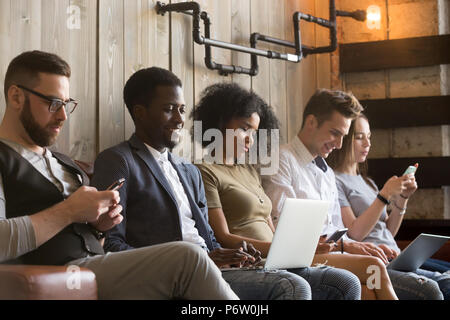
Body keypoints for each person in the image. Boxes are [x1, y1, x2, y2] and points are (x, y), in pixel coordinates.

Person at [0, 50, 238, 300]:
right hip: (64, 273)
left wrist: (99, 228)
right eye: (53, 103)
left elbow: (92, 241)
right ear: (16, 97)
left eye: (67, 104)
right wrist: (69, 210)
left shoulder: (64, 164)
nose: (63, 115)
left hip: (97, 264)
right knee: (189, 257)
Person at [90, 66, 313, 300]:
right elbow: (111, 244)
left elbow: (209, 239)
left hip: (211, 268)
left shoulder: (188, 171)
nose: (178, 120)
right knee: (292, 287)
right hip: (173, 275)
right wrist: (183, 261)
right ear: (140, 112)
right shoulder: (118, 160)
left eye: (182, 110)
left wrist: (231, 255)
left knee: (340, 282)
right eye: (168, 110)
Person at [262, 88, 443, 300]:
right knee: (425, 290)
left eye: (343, 136)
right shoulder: (280, 160)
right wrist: (347, 245)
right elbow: (284, 231)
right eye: (335, 133)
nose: (339, 144)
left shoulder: (327, 173)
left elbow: (340, 230)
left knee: (382, 285)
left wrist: (363, 247)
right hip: (310, 259)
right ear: (311, 122)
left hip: (341, 257)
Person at [193, 82, 362, 300]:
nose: (250, 140)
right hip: (245, 265)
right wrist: (281, 249)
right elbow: (222, 237)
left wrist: (295, 249)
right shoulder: (204, 171)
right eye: (244, 128)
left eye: (254, 132)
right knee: (296, 287)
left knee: (345, 282)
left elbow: (271, 228)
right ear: (219, 122)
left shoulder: (249, 171)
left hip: (274, 260)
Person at [327, 113, 450, 299]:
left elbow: (388, 232)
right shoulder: (334, 181)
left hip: (397, 256)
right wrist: (384, 195)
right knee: (444, 285)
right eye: (359, 137)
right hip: (377, 262)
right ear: (343, 137)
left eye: (369, 137)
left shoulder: (367, 182)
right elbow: (355, 233)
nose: (367, 144)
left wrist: (402, 198)